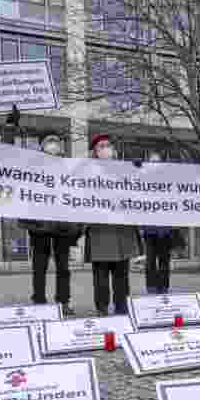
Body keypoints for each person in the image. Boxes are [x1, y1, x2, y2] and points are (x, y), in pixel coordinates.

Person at [22, 135, 82, 316]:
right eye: (49, 143)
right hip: (39, 226)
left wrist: (78, 225)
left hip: (63, 227)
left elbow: (78, 195)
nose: (53, 146)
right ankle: (39, 299)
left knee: (63, 267)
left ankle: (63, 301)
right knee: (39, 267)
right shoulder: (33, 169)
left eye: (56, 143)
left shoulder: (69, 170)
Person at [85, 134, 140, 315]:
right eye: (101, 146)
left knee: (121, 275)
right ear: (94, 151)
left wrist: (139, 169)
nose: (105, 149)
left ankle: (122, 308)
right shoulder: (87, 171)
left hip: (122, 229)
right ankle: (102, 308)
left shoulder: (124, 168)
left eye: (108, 145)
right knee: (100, 275)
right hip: (99, 230)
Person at [141, 151, 179, 295]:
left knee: (164, 261)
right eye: (152, 162)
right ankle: (151, 288)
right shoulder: (143, 180)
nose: (154, 165)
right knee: (150, 261)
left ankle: (163, 288)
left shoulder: (168, 179)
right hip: (149, 229)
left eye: (157, 162)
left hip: (165, 229)